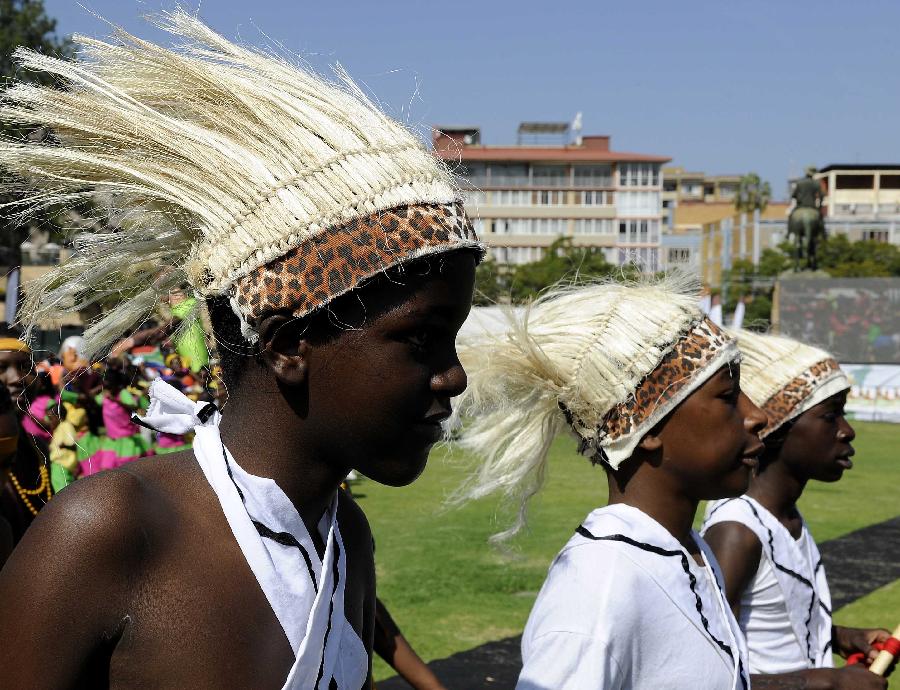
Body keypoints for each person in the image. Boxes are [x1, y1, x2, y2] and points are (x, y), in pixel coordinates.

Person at [0, 11, 480, 689]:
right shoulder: (107, 532)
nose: (454, 377)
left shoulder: (346, 539)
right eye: (421, 339)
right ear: (288, 344)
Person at [453, 278, 767, 689]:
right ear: (646, 420)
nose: (756, 414)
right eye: (728, 396)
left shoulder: (688, 550)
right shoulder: (602, 585)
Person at [702, 331, 890, 689]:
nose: (846, 432)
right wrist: (826, 683)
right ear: (778, 428)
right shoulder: (737, 532)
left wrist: (839, 637)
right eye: (830, 416)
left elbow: (770, 624)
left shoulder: (783, 517)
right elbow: (704, 673)